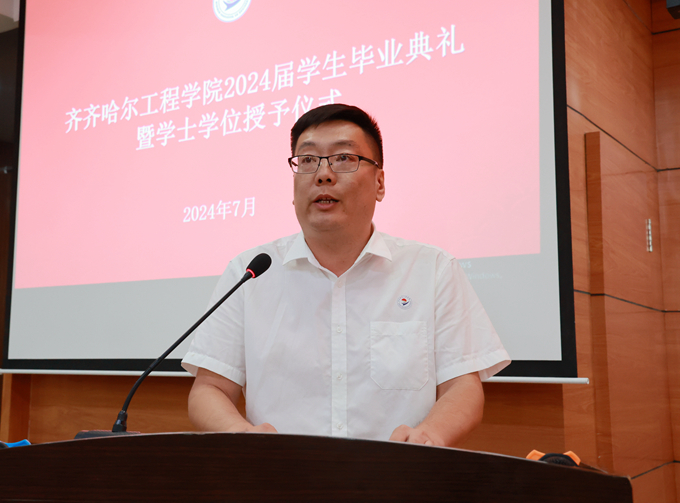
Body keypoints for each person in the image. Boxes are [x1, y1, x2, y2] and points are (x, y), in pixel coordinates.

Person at [181, 104, 509, 446]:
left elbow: (462, 387)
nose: (323, 174)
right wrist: (242, 436)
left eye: (343, 158)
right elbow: (210, 388)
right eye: (308, 160)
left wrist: (429, 436)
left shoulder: (432, 269)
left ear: (379, 183)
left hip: (397, 473)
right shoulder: (249, 273)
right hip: (280, 473)